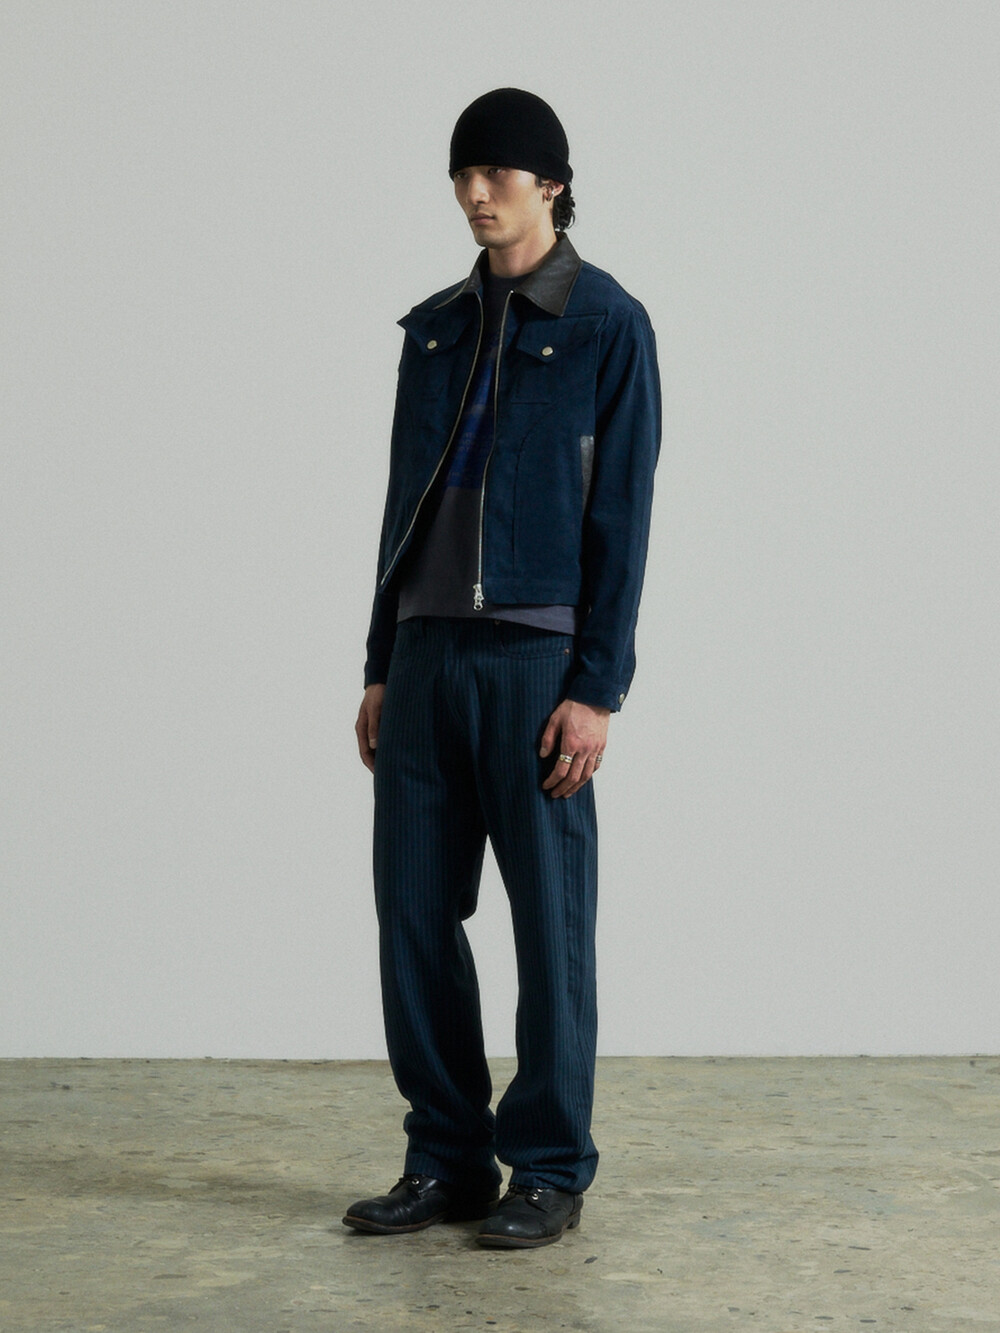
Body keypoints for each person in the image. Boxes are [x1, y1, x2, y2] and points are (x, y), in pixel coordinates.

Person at [345, 88, 660, 1249]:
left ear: (551, 185)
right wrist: (381, 660)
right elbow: (399, 506)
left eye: (498, 175)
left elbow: (621, 516)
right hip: (427, 653)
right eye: (463, 176)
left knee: (549, 923)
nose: (476, 194)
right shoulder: (433, 328)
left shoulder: (607, 324)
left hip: (536, 662)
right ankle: (445, 1157)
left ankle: (550, 1168)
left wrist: (597, 686)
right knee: (412, 913)